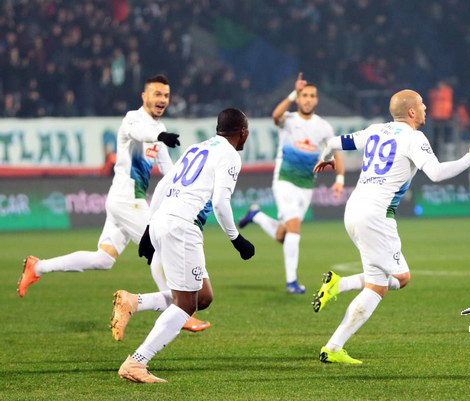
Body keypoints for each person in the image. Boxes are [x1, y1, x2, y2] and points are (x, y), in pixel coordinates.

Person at [16, 74, 209, 332]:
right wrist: (160, 136)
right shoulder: (133, 119)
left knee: (103, 259)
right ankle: (178, 312)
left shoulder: (159, 130)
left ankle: (38, 266)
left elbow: (168, 171)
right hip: (126, 199)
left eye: (166, 95)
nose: (162, 99)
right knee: (159, 247)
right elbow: (139, 132)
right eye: (157, 94)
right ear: (144, 96)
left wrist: (189, 188)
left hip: (127, 201)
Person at [312, 89, 470, 364]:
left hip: (353, 210)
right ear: (412, 112)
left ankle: (333, 347)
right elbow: (436, 173)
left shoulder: (375, 130)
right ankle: (340, 284)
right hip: (376, 216)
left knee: (377, 286)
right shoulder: (414, 138)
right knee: (402, 278)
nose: (426, 108)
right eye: (422, 104)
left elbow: (332, 142)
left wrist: (327, 157)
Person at [116, 108, 255, 383]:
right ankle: (137, 362)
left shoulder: (197, 147)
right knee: (186, 304)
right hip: (182, 227)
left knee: (203, 296)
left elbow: (164, 184)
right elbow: (220, 202)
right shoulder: (230, 155)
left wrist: (149, 228)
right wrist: (236, 239)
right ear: (243, 132)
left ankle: (135, 301)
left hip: (165, 220)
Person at [238, 73, 344, 294]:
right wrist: (292, 93)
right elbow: (275, 115)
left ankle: (256, 215)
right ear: (298, 98)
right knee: (294, 229)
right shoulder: (289, 120)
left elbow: (336, 152)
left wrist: (340, 179)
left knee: (283, 236)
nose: (308, 99)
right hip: (285, 181)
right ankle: (292, 282)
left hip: (306, 185)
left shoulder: (323, 127)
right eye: (304, 95)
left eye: (311, 96)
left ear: (316, 100)